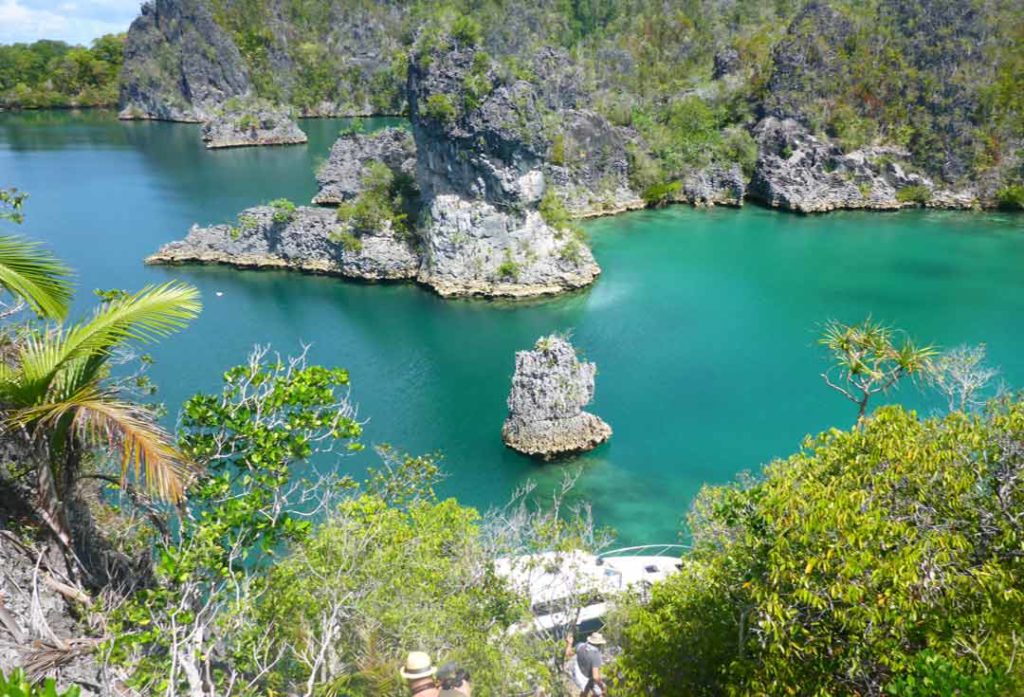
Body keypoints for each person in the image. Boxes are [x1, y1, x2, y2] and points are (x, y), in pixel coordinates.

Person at [565, 632, 607, 696]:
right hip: (586, 677)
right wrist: (602, 686)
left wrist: (569, 643)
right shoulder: (596, 655)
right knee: (601, 693)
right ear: (598, 644)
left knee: (586, 689)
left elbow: (568, 653)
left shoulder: (581, 645)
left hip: (579, 675)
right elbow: (595, 676)